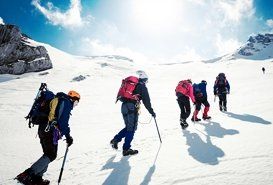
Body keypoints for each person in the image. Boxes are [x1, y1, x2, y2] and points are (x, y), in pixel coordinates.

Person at [16, 90, 80, 185]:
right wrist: (68, 136)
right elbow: (63, 123)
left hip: (43, 129)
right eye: (76, 102)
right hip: (49, 131)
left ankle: (37, 179)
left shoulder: (60, 100)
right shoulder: (66, 103)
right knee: (51, 155)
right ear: (73, 99)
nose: (76, 105)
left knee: (48, 154)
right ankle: (27, 174)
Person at [111, 71, 156, 156]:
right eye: (146, 81)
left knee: (129, 127)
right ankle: (126, 149)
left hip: (124, 106)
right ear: (145, 80)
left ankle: (116, 139)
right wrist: (152, 112)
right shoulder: (142, 86)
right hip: (132, 107)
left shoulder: (132, 84)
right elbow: (147, 101)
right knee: (131, 129)